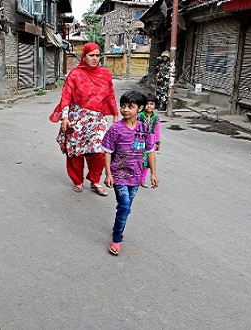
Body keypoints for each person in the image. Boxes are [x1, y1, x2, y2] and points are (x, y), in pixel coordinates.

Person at [49, 42, 119, 196]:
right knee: (75, 152)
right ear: (84, 57)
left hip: (97, 120)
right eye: (91, 55)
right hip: (77, 118)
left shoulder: (105, 74)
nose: (95, 58)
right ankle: (78, 181)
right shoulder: (75, 74)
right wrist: (64, 118)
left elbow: (110, 95)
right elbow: (66, 96)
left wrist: (115, 114)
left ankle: (95, 181)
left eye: (97, 55)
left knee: (100, 152)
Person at [102, 90, 159, 256]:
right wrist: (108, 174)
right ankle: (117, 238)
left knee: (125, 208)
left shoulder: (145, 129)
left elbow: (150, 152)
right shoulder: (115, 129)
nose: (125, 110)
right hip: (118, 174)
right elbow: (107, 151)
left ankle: (118, 226)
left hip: (135, 175)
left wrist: (153, 174)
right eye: (123, 106)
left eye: (130, 107)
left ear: (140, 108)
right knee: (125, 205)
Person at [138, 90, 161, 188]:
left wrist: (157, 142)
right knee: (137, 158)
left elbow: (157, 130)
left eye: (152, 104)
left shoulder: (156, 117)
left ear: (155, 105)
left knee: (147, 161)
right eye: (147, 104)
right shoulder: (139, 115)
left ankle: (142, 180)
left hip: (150, 141)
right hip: (139, 140)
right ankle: (134, 177)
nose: (149, 106)